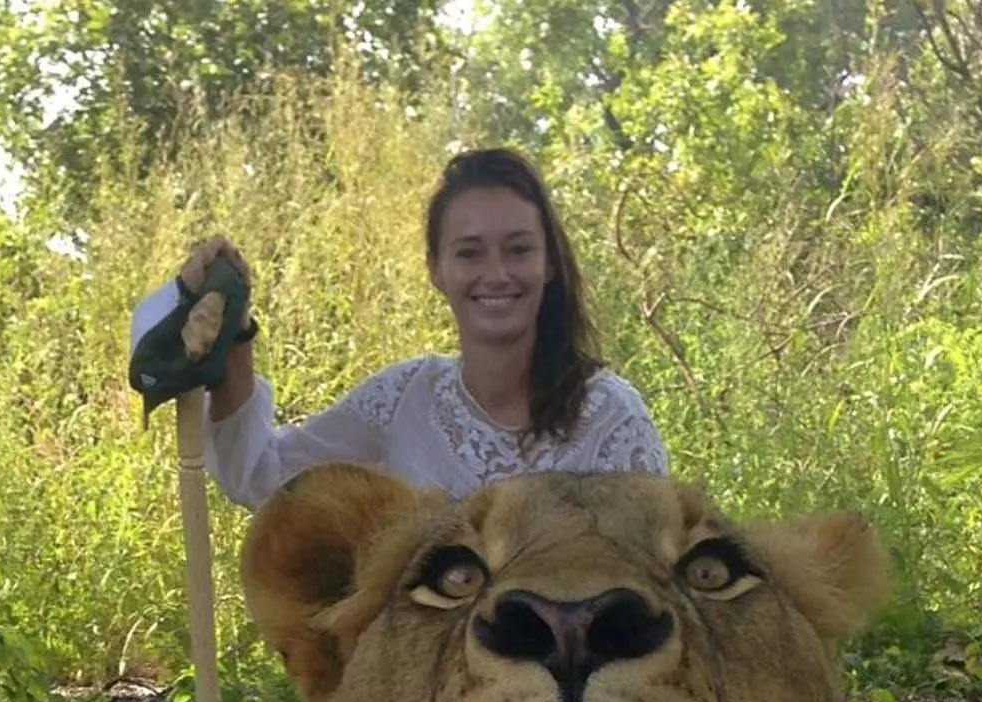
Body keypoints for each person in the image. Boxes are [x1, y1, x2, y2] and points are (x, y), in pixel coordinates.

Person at [184, 148, 669, 511]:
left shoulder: (611, 420)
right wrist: (236, 337)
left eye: (518, 249)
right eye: (470, 252)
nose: (496, 273)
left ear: (549, 265)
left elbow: (658, 585)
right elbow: (263, 476)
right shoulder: (403, 399)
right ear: (436, 269)